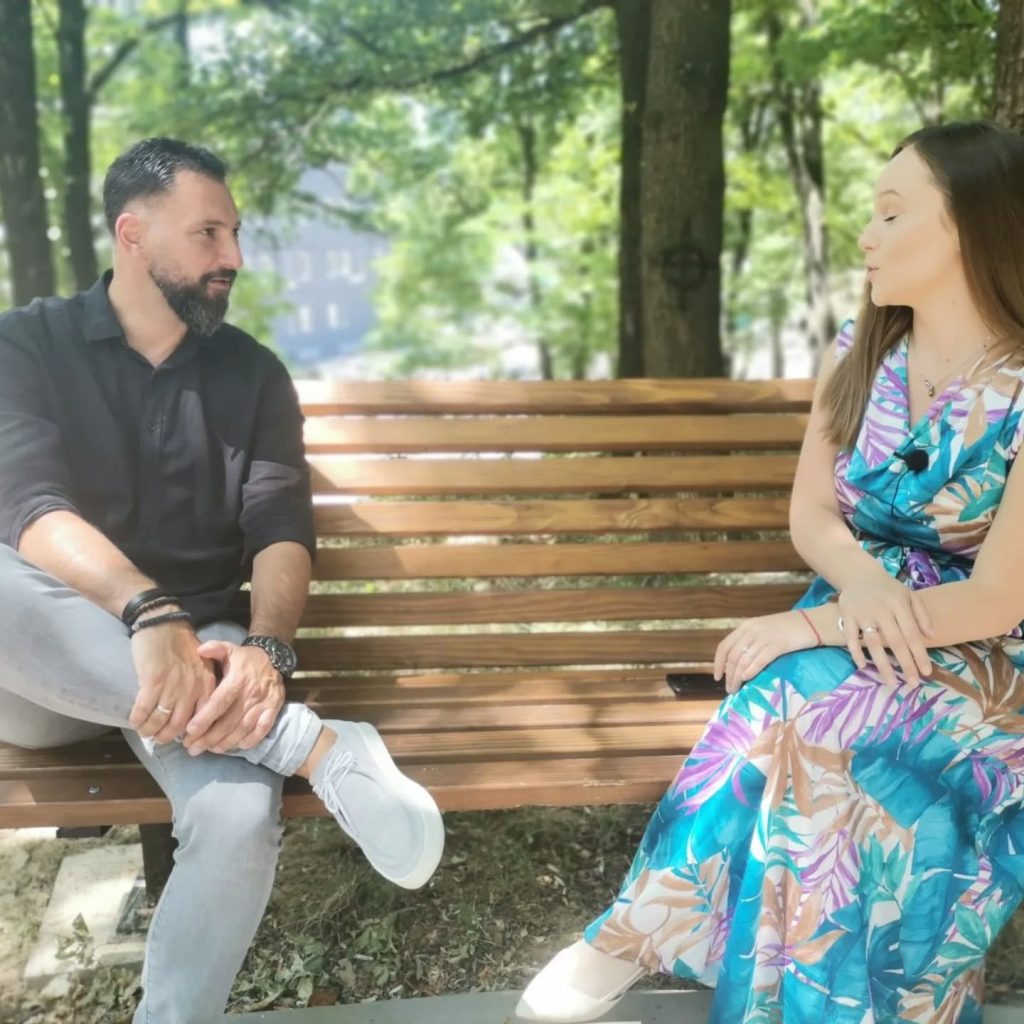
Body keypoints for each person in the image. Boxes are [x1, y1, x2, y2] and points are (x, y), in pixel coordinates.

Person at [517, 119, 1024, 1024]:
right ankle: (673, 952)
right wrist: (862, 588)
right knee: (808, 716)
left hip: (983, 657)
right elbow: (813, 514)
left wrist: (814, 624)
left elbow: (997, 597)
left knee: (809, 709)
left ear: (969, 227)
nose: (866, 235)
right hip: (859, 616)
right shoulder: (860, 350)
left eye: (892, 213)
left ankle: (632, 937)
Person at [0, 137, 444, 1024]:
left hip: (208, 651)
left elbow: (280, 530)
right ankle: (304, 743)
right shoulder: (26, 344)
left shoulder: (253, 374)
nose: (232, 256)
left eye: (234, 234)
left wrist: (268, 650)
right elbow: (29, 508)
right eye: (208, 233)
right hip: (50, 669)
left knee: (239, 814)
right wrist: (146, 611)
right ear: (133, 234)